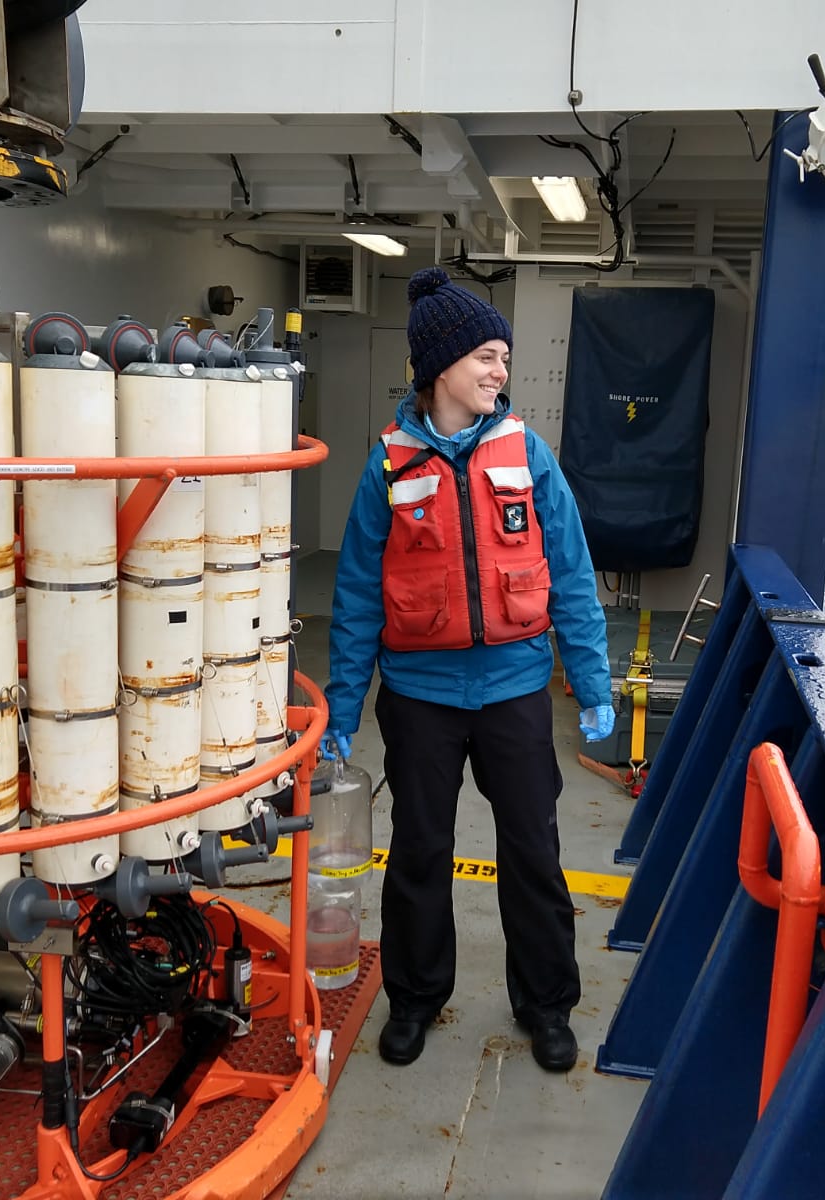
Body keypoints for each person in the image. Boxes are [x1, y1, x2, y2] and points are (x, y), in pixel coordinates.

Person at [323, 266, 615, 1073]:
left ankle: (547, 1006)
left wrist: (592, 685)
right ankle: (416, 1000)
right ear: (440, 366)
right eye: (487, 355)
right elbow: (354, 598)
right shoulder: (386, 467)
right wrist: (342, 711)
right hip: (420, 699)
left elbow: (573, 576)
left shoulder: (530, 455)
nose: (500, 372)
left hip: (515, 691)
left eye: (504, 359)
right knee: (420, 851)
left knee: (533, 850)